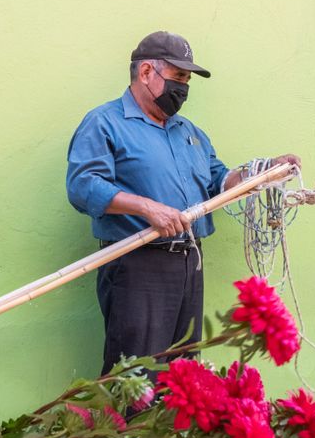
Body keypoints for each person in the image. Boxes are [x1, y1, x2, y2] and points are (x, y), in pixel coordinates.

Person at [66, 31, 299, 375]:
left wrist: (262, 173)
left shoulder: (189, 132)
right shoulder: (105, 123)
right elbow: (82, 186)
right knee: (136, 377)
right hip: (137, 263)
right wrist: (147, 208)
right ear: (146, 72)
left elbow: (219, 182)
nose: (184, 88)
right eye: (178, 77)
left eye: (188, 80)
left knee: (182, 376)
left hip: (190, 262)